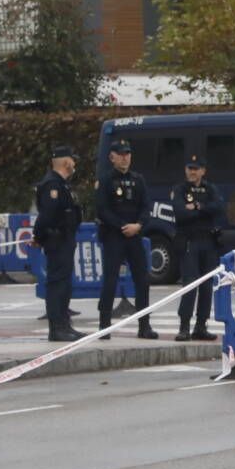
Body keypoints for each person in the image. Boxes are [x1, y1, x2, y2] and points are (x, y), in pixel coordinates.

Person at [96, 139, 159, 339]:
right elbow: (102, 209)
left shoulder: (138, 180)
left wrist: (138, 225)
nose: (125, 158)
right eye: (121, 154)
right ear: (112, 157)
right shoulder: (105, 180)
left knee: (142, 280)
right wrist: (122, 226)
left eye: (127, 154)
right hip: (114, 236)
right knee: (110, 281)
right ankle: (104, 326)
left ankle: (144, 325)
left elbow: (146, 207)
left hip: (135, 236)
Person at [169, 154, 225, 341]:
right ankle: (184, 326)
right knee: (190, 283)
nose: (192, 172)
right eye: (189, 168)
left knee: (207, 285)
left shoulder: (210, 189)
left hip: (208, 241)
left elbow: (219, 207)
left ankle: (201, 325)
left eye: (196, 169)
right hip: (189, 241)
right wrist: (204, 210)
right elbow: (180, 213)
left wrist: (197, 206)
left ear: (203, 171)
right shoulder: (180, 189)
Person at [32, 146, 84, 343]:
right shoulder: (52, 185)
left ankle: (65, 324)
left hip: (65, 239)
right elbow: (47, 215)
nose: (75, 163)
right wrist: (38, 237)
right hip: (57, 240)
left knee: (65, 285)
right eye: (73, 159)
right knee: (57, 285)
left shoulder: (62, 184)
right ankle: (57, 328)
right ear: (66, 162)